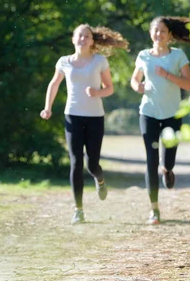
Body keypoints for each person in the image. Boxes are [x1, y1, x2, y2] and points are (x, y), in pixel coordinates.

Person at [40, 24, 128, 224]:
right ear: (73, 39)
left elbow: (110, 88)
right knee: (76, 162)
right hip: (72, 115)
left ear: (92, 41)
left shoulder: (99, 60)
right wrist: (48, 107)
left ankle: (100, 179)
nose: (83, 39)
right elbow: (54, 84)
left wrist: (98, 93)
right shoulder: (64, 61)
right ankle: (78, 210)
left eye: (87, 36)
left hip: (95, 117)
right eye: (80, 35)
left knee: (92, 164)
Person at [130, 16, 190, 225]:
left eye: (163, 31)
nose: (159, 34)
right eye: (155, 30)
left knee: (167, 160)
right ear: (150, 33)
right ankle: (154, 210)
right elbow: (134, 79)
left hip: (172, 114)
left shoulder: (178, 56)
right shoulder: (143, 56)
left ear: (169, 35)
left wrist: (167, 75)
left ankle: (167, 169)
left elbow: (188, 85)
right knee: (151, 160)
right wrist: (137, 86)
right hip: (148, 112)